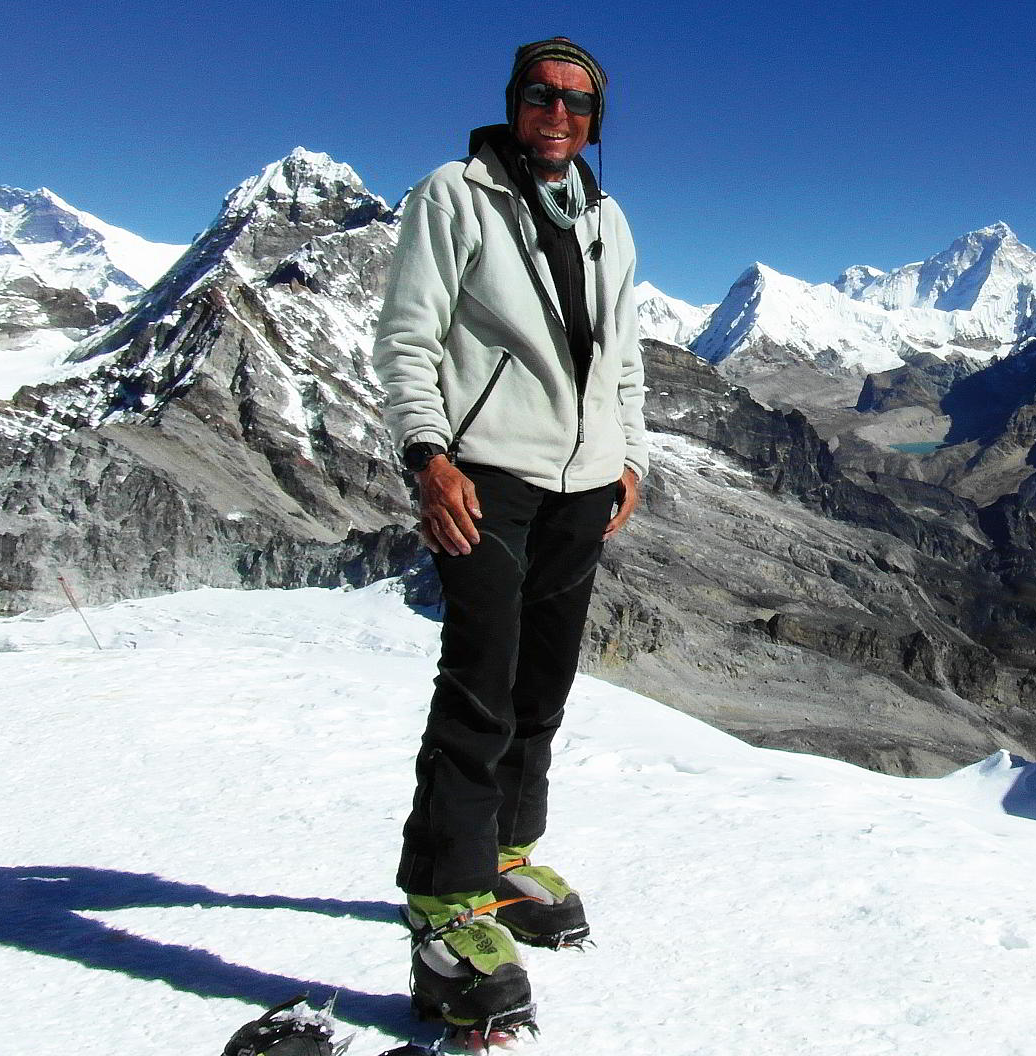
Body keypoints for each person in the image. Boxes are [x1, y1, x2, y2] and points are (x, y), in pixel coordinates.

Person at [370, 36, 646, 1044]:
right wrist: (427, 454)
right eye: (543, 97)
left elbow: (624, 354)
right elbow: (408, 334)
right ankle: (444, 899)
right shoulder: (453, 195)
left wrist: (632, 454)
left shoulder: (611, 220)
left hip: (585, 485)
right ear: (513, 103)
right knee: (480, 680)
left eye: (579, 103)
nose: (561, 114)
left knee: (543, 683)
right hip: (485, 476)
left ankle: (506, 850)